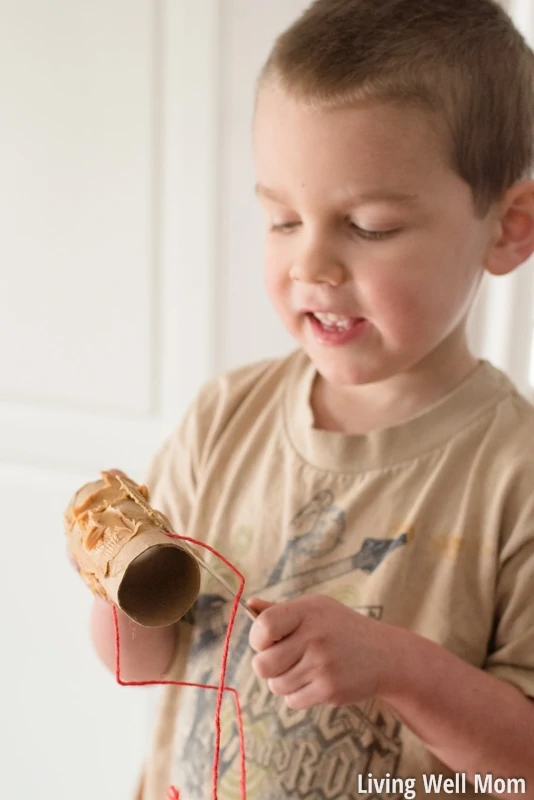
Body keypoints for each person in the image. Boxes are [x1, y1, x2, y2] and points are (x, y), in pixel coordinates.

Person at [87, 1, 534, 798]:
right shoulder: (224, 418)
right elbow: (146, 663)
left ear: (507, 228)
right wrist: (114, 582)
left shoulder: (514, 475)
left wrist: (399, 666)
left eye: (368, 226)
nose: (311, 265)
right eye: (282, 219)